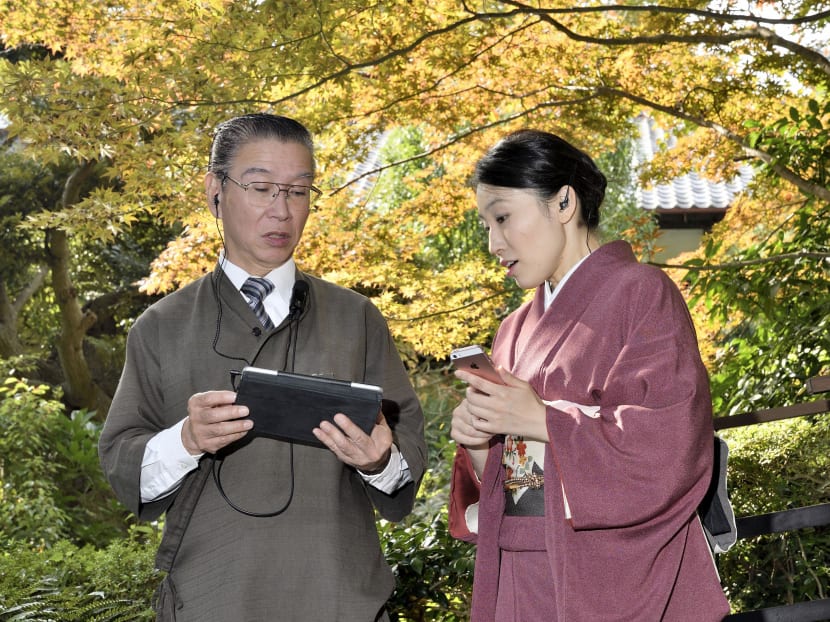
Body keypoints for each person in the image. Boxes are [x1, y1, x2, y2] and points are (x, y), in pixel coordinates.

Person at [99, 113, 426, 622]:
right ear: (215, 191)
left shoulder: (356, 318)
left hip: (341, 600)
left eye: (298, 192)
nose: (281, 211)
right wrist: (186, 440)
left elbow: (408, 459)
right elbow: (124, 468)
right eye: (261, 188)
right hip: (213, 600)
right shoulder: (161, 326)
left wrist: (378, 461)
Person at [448, 129, 730, 621]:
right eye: (486, 224)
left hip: (609, 572)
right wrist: (480, 440)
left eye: (504, 218)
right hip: (523, 571)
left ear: (562, 203)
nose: (493, 243)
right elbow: (513, 482)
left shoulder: (641, 293)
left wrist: (541, 420)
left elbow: (668, 446)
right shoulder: (513, 329)